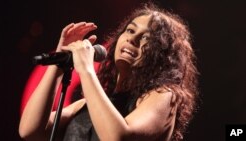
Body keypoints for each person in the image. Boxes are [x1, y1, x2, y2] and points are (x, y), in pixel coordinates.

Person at [19, 2, 198, 141]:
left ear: (164, 56)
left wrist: (87, 71)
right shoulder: (84, 106)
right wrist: (59, 61)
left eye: (147, 38)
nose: (132, 39)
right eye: (130, 31)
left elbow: (117, 137)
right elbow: (29, 130)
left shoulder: (164, 97)